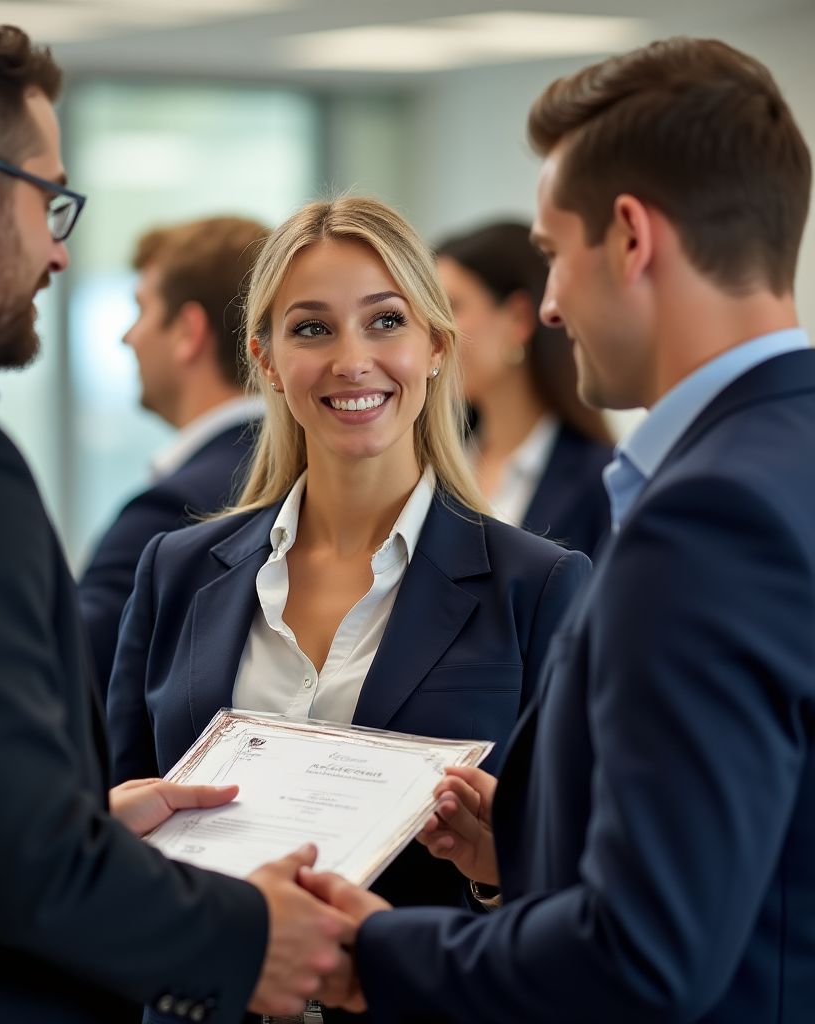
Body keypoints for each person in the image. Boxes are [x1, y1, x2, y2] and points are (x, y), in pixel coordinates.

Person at [0, 9, 352, 1023]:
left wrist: (81, 821)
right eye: (51, 202)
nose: (57, 258)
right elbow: (23, 871)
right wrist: (249, 935)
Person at [299, 36, 815, 1023]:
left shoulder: (710, 517)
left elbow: (646, 954)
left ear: (630, 237)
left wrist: (373, 948)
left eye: (549, 254)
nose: (545, 305)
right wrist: (536, 841)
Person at [105, 196, 591, 1018]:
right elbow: (102, 831)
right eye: (312, 329)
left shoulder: (537, 587)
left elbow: (581, 896)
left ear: (436, 346)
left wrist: (497, 864)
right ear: (264, 358)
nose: (352, 361)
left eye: (385, 321)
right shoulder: (178, 572)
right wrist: (107, 831)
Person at [79, 215, 268, 697]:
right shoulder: (319, 473)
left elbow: (71, 672)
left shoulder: (172, 512)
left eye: (141, 309)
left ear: (187, 331)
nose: (129, 336)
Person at [436, 221, 613, 555]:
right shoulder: (434, 466)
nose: (431, 332)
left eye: (451, 307)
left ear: (518, 319)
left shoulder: (604, 483)